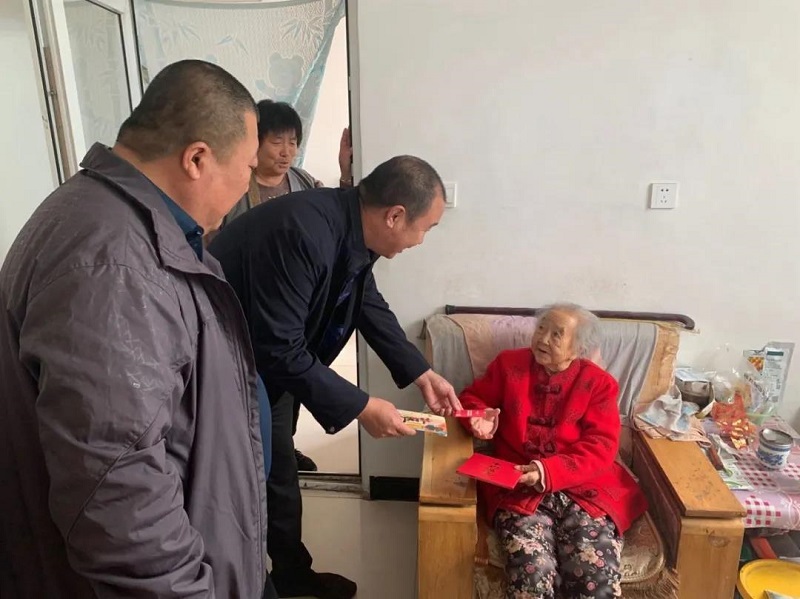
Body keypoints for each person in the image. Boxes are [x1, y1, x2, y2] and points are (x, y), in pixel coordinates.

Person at [0, 60, 275, 599]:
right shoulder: (114, 262)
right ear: (197, 159)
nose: (247, 185)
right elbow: (117, 489)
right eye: (247, 166)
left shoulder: (118, 218)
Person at [208, 156, 462, 599]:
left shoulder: (348, 225)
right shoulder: (304, 232)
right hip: (227, 369)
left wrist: (420, 372)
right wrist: (362, 406)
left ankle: (290, 574)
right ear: (395, 215)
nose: (420, 241)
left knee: (278, 474)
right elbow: (279, 346)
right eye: (425, 228)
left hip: (269, 368)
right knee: (249, 481)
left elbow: (366, 303)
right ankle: (246, 582)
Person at [459, 303, 647, 599]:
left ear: (578, 347)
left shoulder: (599, 384)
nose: (543, 339)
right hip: (519, 488)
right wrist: (478, 418)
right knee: (531, 576)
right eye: (541, 329)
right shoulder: (509, 366)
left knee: (594, 579)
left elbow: (602, 445)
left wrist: (547, 471)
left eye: (557, 334)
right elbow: (472, 399)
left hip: (585, 491)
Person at [218, 99, 355, 472]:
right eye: (276, 142)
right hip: (247, 303)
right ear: (256, 143)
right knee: (256, 382)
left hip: (295, 302)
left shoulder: (304, 182)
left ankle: (284, 445)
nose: (286, 152)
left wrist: (346, 174)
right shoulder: (235, 187)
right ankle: (260, 451)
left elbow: (341, 217)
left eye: (292, 142)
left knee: (293, 378)